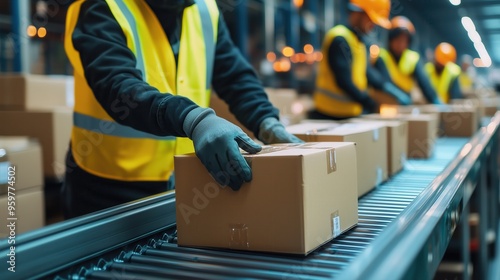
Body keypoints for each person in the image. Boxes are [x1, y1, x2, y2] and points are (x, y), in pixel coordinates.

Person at [62, 0, 302, 218]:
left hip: (179, 179)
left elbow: (235, 77)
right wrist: (194, 119)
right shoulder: (101, 6)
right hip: (106, 186)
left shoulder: (204, 10)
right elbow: (120, 88)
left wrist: (266, 121)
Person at [310, 0, 411, 120]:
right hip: (329, 115)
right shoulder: (339, 39)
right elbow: (344, 81)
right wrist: (371, 104)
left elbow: (369, 74)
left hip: (349, 114)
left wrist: (389, 88)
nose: (373, 26)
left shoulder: (358, 43)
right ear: (360, 12)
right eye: (372, 20)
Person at [373, 16, 441, 104]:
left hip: (406, 102)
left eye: (404, 40)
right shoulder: (382, 56)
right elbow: (382, 81)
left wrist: (435, 99)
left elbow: (424, 84)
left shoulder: (413, 58)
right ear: (390, 39)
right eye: (397, 40)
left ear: (408, 42)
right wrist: (397, 94)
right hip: (385, 102)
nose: (400, 44)